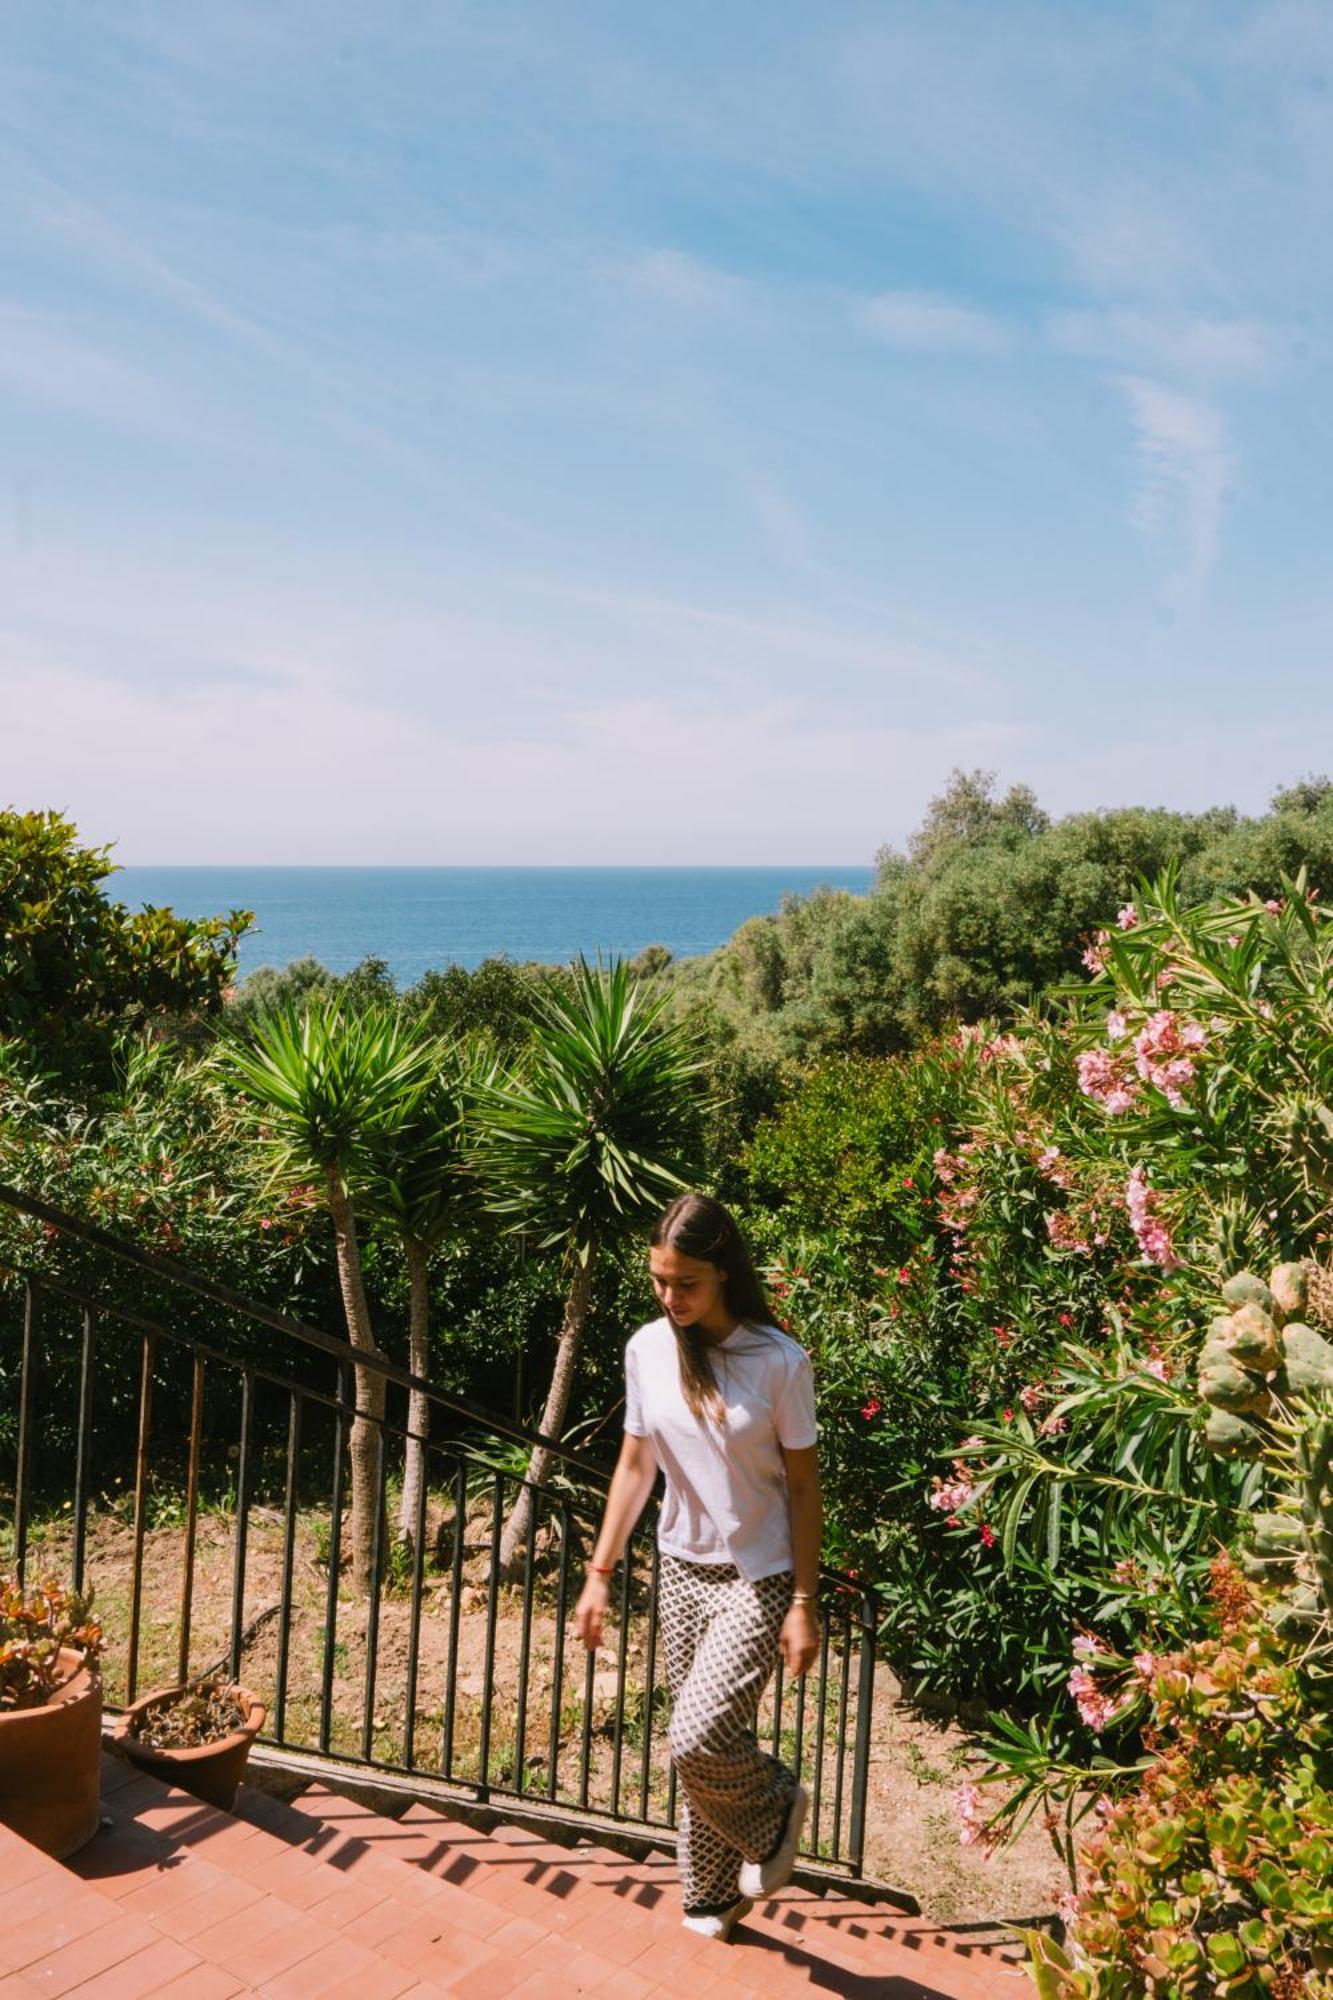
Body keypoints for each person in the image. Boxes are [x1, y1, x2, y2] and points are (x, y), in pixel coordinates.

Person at [574, 1192, 823, 1943]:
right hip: (680, 1567)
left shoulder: (779, 1362)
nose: (669, 1297)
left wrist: (804, 1599)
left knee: (698, 1736)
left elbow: (805, 1486)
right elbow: (634, 1461)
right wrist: (599, 1572)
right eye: (658, 1280)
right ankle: (712, 1894)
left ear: (723, 1273)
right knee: (693, 1750)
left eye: (685, 1283)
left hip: (760, 1574)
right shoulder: (648, 1347)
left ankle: (777, 1806)